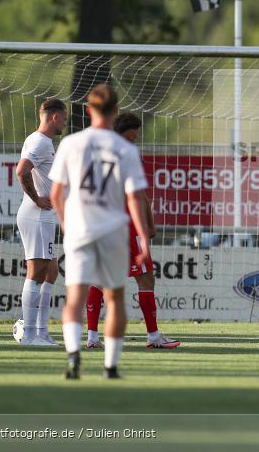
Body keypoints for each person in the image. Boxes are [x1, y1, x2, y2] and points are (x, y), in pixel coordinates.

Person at [50, 84, 152, 380]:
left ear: (87, 108)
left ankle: (73, 358)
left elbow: (57, 193)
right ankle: (110, 366)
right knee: (116, 298)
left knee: (74, 298)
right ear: (116, 111)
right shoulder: (125, 148)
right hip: (113, 231)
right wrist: (143, 238)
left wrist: (66, 223)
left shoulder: (71, 143)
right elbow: (135, 198)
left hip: (79, 229)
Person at [85, 113, 180, 350]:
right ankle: (154, 336)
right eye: (137, 132)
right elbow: (138, 196)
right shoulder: (127, 154)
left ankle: (92, 337)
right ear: (130, 133)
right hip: (126, 225)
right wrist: (147, 225)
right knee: (146, 277)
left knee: (98, 280)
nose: (138, 136)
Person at [14, 98, 68, 346]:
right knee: (36, 273)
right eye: (64, 118)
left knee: (51, 271)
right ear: (55, 117)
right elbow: (22, 170)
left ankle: (42, 332)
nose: (65, 123)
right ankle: (30, 335)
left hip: (43, 215)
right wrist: (36, 198)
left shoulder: (41, 141)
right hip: (37, 215)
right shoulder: (39, 142)